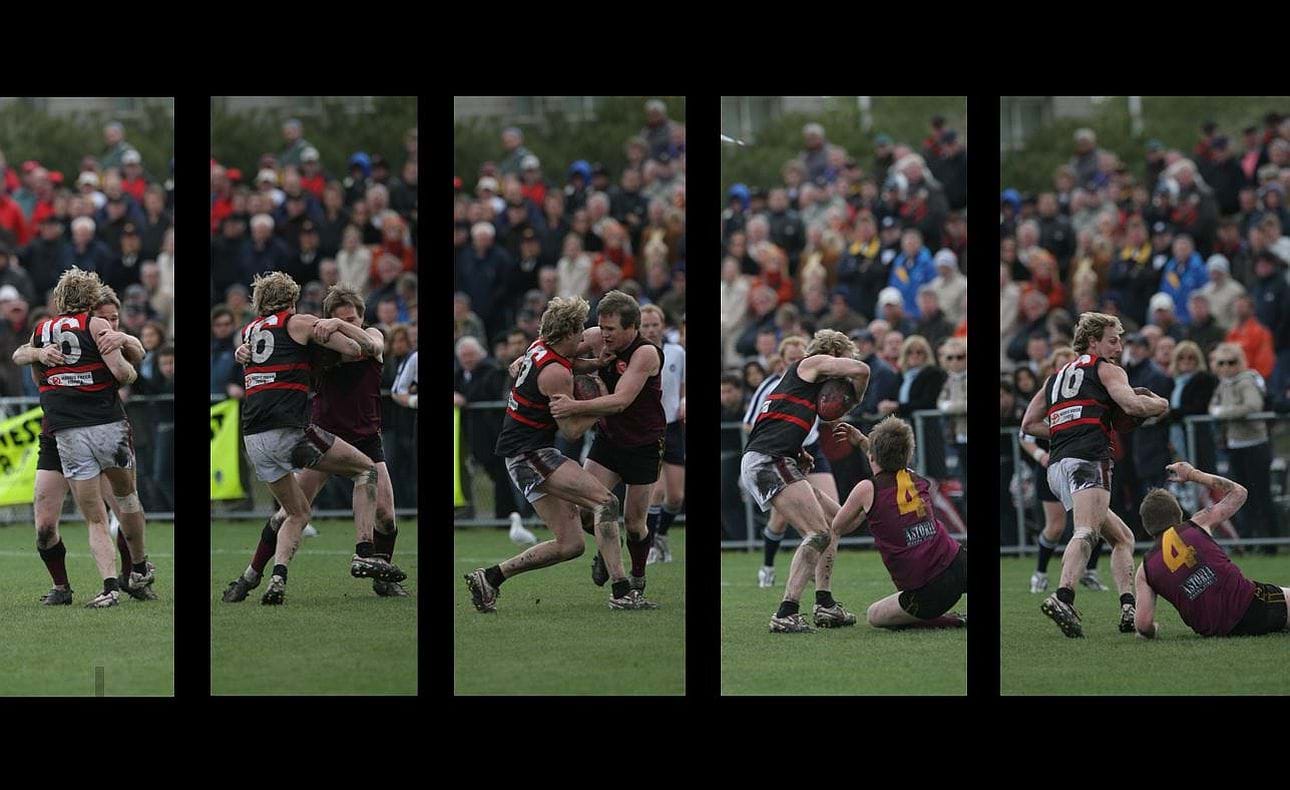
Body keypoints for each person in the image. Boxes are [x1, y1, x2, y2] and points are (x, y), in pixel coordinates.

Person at [223, 284, 409, 601]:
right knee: (289, 512)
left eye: (352, 319)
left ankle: (381, 578)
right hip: (323, 433)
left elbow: (372, 345)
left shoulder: (371, 334)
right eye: (339, 319)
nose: (346, 324)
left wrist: (337, 324)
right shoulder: (318, 343)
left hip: (365, 437)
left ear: (362, 316)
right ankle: (251, 575)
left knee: (386, 516)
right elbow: (277, 354)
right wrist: (244, 353)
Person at [465, 296, 641, 612]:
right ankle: (621, 589)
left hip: (521, 453)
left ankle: (490, 577)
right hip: (531, 454)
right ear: (569, 333)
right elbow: (571, 431)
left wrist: (595, 365)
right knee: (606, 502)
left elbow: (569, 362)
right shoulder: (555, 373)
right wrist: (601, 404)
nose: (584, 335)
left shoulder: (540, 347)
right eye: (580, 330)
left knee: (571, 544)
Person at [1020, 312, 1169, 637]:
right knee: (1086, 531)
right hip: (1088, 458)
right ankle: (1063, 597)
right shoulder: (1106, 369)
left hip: (1057, 467)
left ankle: (1128, 606)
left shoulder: (1055, 377)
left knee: (1123, 538)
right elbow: (1133, 406)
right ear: (1093, 341)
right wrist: (1160, 403)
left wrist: (1065, 428)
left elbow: (1028, 424)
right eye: (1112, 340)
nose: (1119, 347)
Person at [16, 285, 151, 604]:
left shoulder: (106, 335)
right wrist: (38, 354)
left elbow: (136, 356)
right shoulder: (70, 331)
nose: (110, 324)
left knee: (123, 507)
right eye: (106, 318)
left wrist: (125, 339)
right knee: (45, 526)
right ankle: (63, 588)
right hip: (59, 433)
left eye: (115, 319)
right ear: (90, 311)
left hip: (101, 428)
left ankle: (133, 573)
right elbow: (21, 355)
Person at [740, 329, 870, 632]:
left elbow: (772, 421)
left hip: (774, 457)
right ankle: (786, 612)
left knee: (837, 522)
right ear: (833, 355)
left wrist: (798, 451)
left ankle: (825, 604)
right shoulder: (810, 363)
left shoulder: (806, 388)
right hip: (768, 460)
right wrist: (854, 399)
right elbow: (862, 370)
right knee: (818, 533)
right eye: (843, 361)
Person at [547, 291, 664, 606]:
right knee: (588, 510)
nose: (604, 334)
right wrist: (525, 359)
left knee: (635, 524)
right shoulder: (598, 337)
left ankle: (637, 579)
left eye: (611, 329)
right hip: (609, 440)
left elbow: (620, 401)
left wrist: (573, 406)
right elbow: (554, 348)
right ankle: (607, 549)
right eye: (601, 326)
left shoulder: (645, 354)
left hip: (644, 445)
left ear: (632, 327)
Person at [831, 417, 967, 629]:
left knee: (875, 615)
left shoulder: (866, 489)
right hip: (958, 562)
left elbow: (838, 527)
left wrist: (866, 512)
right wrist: (862, 441)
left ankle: (951, 620)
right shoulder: (913, 476)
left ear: (872, 456)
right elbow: (884, 458)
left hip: (929, 589)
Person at [1135, 462, 1287, 637]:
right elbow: (1239, 492)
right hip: (1251, 606)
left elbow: (1143, 624)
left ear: (1147, 527)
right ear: (1178, 514)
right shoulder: (1197, 523)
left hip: (1214, 631)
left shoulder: (1144, 569)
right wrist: (1192, 474)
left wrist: (1153, 629)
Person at [747, 335, 843, 590]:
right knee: (782, 521)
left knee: (835, 518)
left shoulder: (819, 384)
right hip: (779, 453)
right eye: (792, 358)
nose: (798, 360)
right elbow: (750, 423)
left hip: (809, 450)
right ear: (782, 361)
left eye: (801, 355)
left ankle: (822, 583)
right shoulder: (773, 385)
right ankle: (768, 567)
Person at [1021, 347, 1109, 593]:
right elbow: (1025, 432)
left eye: (1072, 362)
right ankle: (1041, 574)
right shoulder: (1049, 392)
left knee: (1095, 521)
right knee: (1057, 526)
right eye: (1062, 364)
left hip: (1083, 459)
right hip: (1055, 463)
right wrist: (1041, 454)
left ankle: (1089, 573)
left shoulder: (1089, 391)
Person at [638, 305, 684, 565]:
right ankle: (650, 544)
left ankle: (662, 535)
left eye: (655, 325)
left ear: (663, 325)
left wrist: (684, 401)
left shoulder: (677, 352)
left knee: (676, 496)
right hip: (648, 427)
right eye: (645, 325)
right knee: (656, 491)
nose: (651, 330)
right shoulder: (636, 354)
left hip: (672, 427)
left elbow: (682, 386)